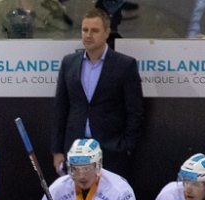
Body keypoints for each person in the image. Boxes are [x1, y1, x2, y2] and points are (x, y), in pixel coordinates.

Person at [51, 8, 143, 179]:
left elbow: (135, 111)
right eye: (85, 30)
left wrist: (126, 146)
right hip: (75, 149)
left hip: (111, 150)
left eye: (94, 30)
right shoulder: (69, 63)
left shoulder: (125, 65)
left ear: (107, 32)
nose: (88, 35)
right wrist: (57, 150)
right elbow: (60, 108)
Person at [36, 138, 140, 200]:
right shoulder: (57, 189)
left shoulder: (120, 191)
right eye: (76, 169)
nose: (82, 176)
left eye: (86, 169)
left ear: (98, 166)